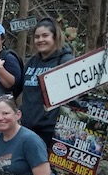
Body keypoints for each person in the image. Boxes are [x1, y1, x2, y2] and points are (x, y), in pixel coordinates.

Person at [20, 17, 74, 149]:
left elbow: (75, 96)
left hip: (51, 131)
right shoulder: (31, 62)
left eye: (45, 35)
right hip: (28, 128)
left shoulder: (65, 60)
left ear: (55, 37)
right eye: (37, 37)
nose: (40, 40)